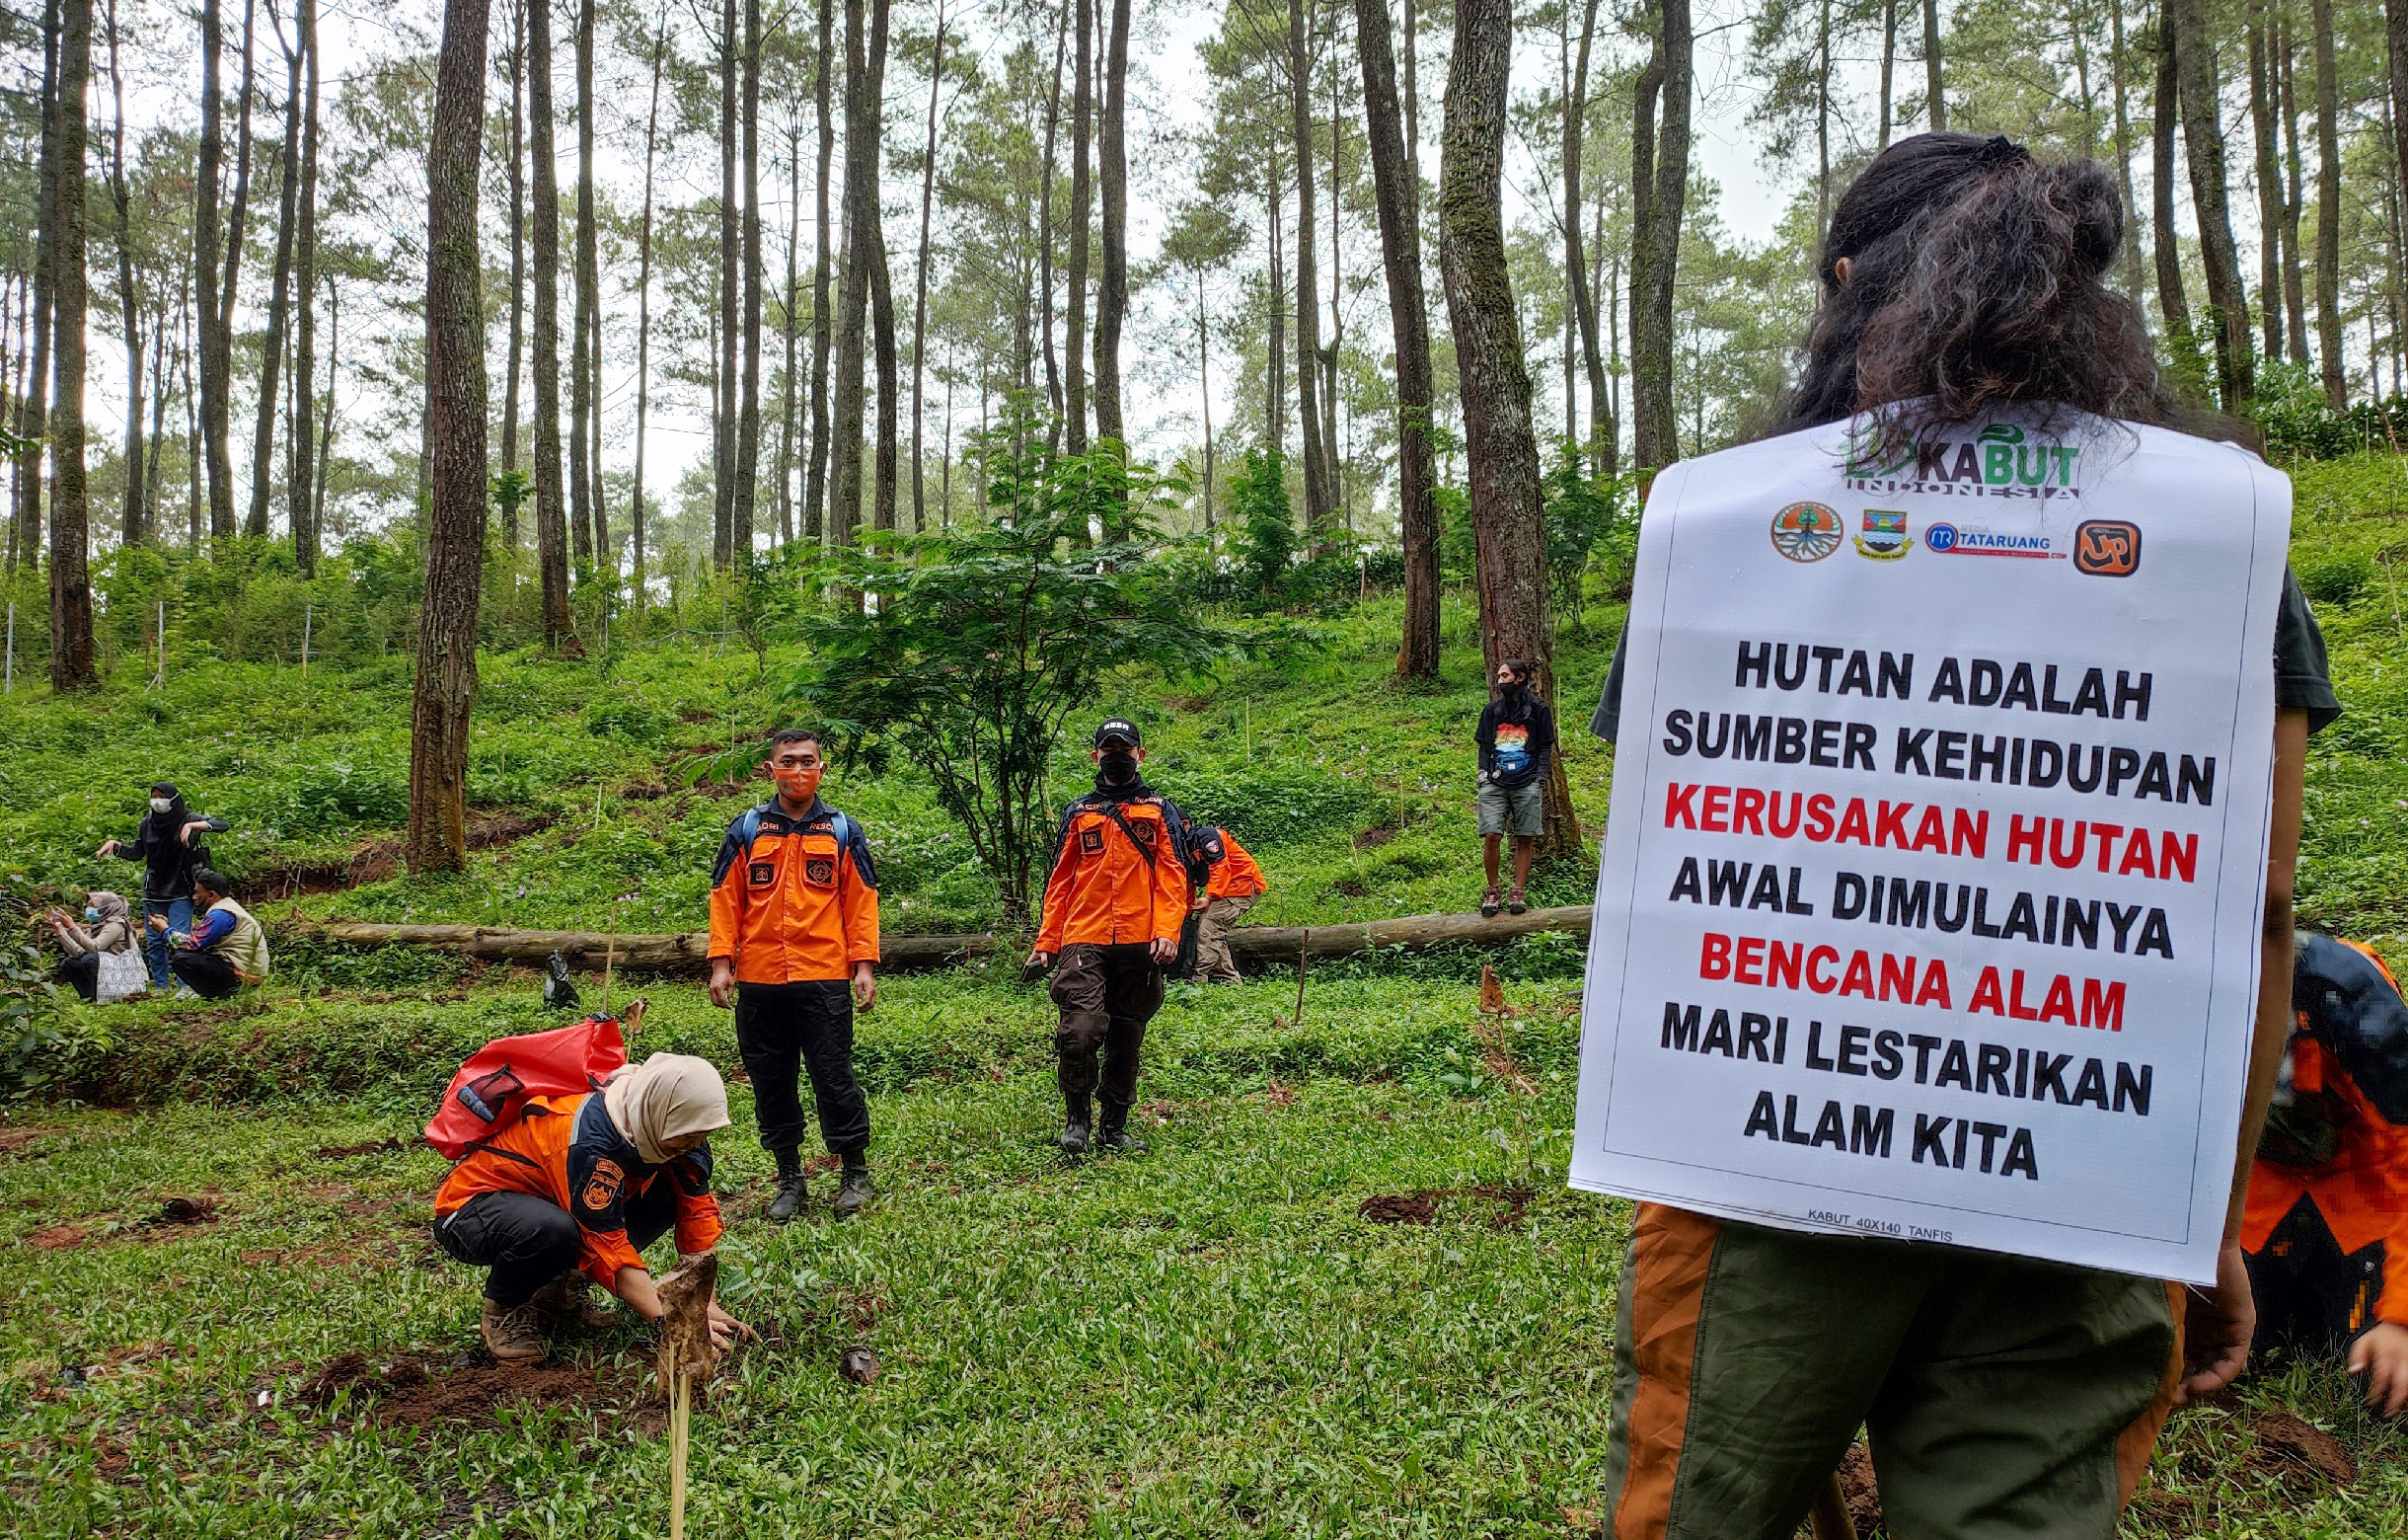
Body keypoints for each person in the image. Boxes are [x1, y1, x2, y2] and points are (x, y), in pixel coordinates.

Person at [1585, 132, 2340, 1538]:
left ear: (1848, 284)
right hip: (2081, 1181)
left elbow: (1674, 883)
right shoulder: (2217, 537)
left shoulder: (1726, 529)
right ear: (2080, 299)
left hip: (1760, 1171)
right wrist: (2205, 1215)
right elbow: (2261, 908)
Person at [432, 1051, 751, 1365]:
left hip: (560, 1200)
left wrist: (701, 1302)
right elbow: (605, 1241)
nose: (695, 1144)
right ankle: (504, 1310)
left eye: (702, 1135)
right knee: (551, 1229)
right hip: (474, 1210)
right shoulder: (588, 1142)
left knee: (667, 1192)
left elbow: (696, 1213)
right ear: (659, 1112)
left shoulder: (679, 1129)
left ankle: (557, 1293)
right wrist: (668, 1321)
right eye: (690, 1136)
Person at [707, 729, 880, 1222]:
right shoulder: (746, 830)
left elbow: (860, 900)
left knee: (833, 1074)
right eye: (788, 762)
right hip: (760, 979)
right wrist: (723, 964)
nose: (798, 771)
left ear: (821, 769)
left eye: (808, 762)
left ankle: (854, 1171)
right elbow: (726, 897)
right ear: (770, 770)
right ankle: (789, 1177)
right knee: (770, 1080)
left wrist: (863, 966)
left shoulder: (842, 830)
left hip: (823, 976)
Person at [2242, 933, 2408, 1418]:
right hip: (2253, 1189)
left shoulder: (2352, 1004)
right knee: (2223, 1337)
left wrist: (2400, 1319)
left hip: (2365, 1187)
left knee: (2376, 1381)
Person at [1026, 718, 1191, 1154]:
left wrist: (1167, 930)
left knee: (1126, 1035)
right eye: (1108, 748)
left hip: (1141, 938)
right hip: (1084, 933)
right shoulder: (1079, 812)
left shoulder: (1159, 810)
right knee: (1079, 1029)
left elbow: (1174, 874)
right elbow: (1060, 880)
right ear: (1095, 755)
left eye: (1125, 748)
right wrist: (1047, 942)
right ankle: (1076, 1122)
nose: (1117, 755)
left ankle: (1114, 1127)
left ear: (1140, 754)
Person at [98, 782, 229, 988]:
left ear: (174, 799)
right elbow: (137, 853)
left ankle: (185, 986)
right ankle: (161, 986)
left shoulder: (186, 819)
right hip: (153, 890)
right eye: (154, 796)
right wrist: (116, 846)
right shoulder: (147, 824)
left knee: (180, 938)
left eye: (162, 796)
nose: (158, 801)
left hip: (180, 889)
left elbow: (222, 824)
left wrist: (193, 826)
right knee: (155, 942)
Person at [1475, 658, 1553, 918]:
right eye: (1499, 676)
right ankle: (1493, 891)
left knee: (1524, 837)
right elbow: (1485, 746)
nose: (1501, 680)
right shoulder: (1492, 710)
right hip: (1494, 782)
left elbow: (1545, 746)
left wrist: (1539, 776)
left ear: (1519, 677)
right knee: (1492, 835)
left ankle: (1518, 891)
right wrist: (1483, 774)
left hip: (1527, 781)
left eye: (1505, 676)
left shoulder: (1539, 710)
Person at [150, 869, 270, 1000]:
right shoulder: (226, 908)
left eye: (197, 892)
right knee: (185, 954)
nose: (194, 897)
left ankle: (218, 995)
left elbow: (192, 944)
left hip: (243, 974)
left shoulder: (221, 914)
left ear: (212, 894)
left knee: (181, 959)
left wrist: (165, 930)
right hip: (246, 970)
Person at [1185, 824, 1267, 984]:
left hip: (1241, 887)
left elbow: (1220, 866)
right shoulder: (1189, 843)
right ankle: (1230, 979)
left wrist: (1210, 897)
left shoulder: (1206, 837)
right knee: (1211, 929)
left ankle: (1199, 980)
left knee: (1208, 931)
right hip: (1232, 888)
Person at [45, 891, 146, 1003]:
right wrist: (61, 930)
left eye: (92, 906)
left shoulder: (116, 924)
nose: (88, 909)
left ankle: (105, 996)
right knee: (69, 962)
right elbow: (79, 952)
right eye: (87, 906)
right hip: (107, 969)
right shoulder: (96, 926)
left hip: (123, 973)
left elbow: (95, 947)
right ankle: (90, 997)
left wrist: (73, 927)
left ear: (105, 906)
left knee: (89, 959)